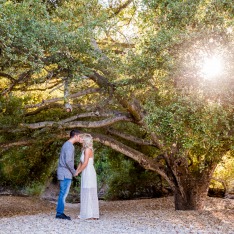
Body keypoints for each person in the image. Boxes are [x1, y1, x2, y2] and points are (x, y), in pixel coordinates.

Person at [55, 129, 81, 220]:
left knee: (62, 193)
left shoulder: (66, 144)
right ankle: (59, 214)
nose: (80, 138)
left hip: (63, 172)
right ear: (76, 136)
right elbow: (68, 161)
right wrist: (74, 172)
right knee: (63, 193)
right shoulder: (70, 146)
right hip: (65, 173)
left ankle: (59, 213)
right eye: (79, 136)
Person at [75, 134, 99, 220]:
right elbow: (80, 162)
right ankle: (86, 213)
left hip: (89, 171)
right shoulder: (84, 150)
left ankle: (92, 214)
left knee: (89, 190)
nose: (80, 139)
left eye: (82, 139)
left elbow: (85, 163)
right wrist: (76, 171)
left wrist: (78, 172)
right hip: (85, 171)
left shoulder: (88, 150)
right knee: (85, 190)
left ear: (85, 141)